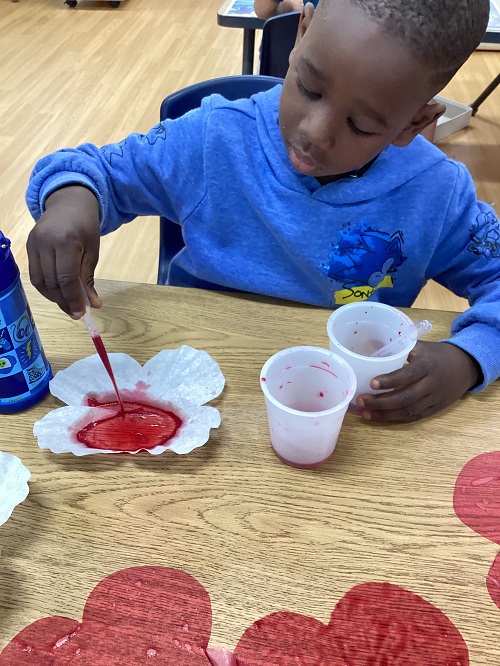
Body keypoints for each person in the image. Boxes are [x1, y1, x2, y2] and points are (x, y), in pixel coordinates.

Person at [25, 0, 499, 424]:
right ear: (301, 33)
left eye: (359, 125)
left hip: (344, 420)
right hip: (189, 389)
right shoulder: (212, 139)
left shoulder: (437, 193)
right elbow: (96, 171)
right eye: (309, 88)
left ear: (414, 122)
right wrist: (70, 201)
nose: (315, 132)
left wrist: (469, 358)